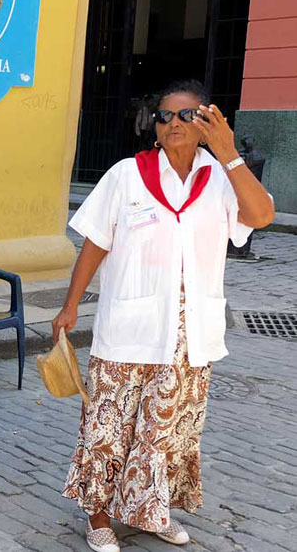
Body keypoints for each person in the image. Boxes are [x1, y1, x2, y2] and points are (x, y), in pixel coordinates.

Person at [51, 79, 274, 552]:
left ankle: (154, 512)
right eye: (165, 115)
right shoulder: (127, 175)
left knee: (167, 430)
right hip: (127, 328)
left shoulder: (220, 179)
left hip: (189, 336)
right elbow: (95, 243)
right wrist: (70, 304)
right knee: (108, 425)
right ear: (155, 127)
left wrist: (230, 153)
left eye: (186, 114)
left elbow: (261, 215)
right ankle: (98, 518)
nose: (173, 123)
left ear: (206, 122)